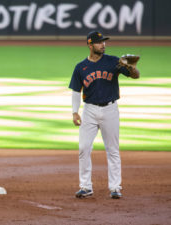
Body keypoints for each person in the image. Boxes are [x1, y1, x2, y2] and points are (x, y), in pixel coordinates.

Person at [69, 31, 140, 199]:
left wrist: (132, 67)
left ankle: (115, 187)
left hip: (110, 109)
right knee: (84, 148)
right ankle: (86, 187)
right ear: (90, 45)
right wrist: (74, 112)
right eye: (99, 42)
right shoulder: (81, 67)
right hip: (89, 111)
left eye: (104, 42)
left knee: (113, 150)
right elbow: (75, 91)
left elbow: (136, 76)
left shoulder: (114, 61)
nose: (103, 44)